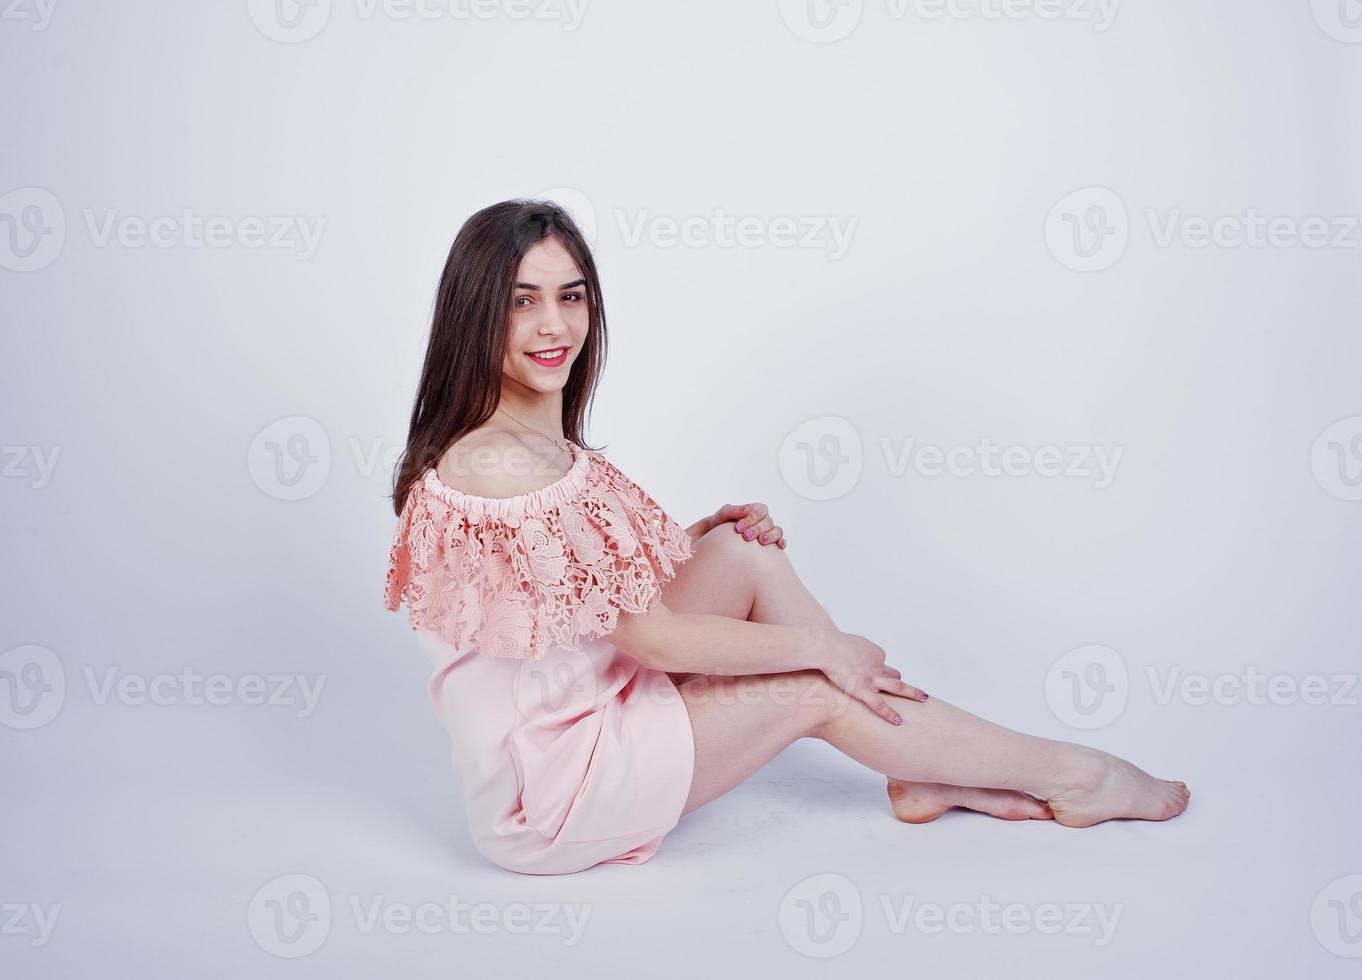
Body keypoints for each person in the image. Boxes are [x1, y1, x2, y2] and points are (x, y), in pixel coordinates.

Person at [384, 199, 1189, 875]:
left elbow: (571, 593)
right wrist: (821, 652)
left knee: (741, 553)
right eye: (522, 301)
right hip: (559, 788)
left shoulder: (526, 439)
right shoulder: (496, 461)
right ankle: (1072, 773)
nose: (554, 324)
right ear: (476, 313)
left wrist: (697, 541)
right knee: (813, 685)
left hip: (586, 703)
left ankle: (925, 771)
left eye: (572, 296)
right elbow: (652, 639)